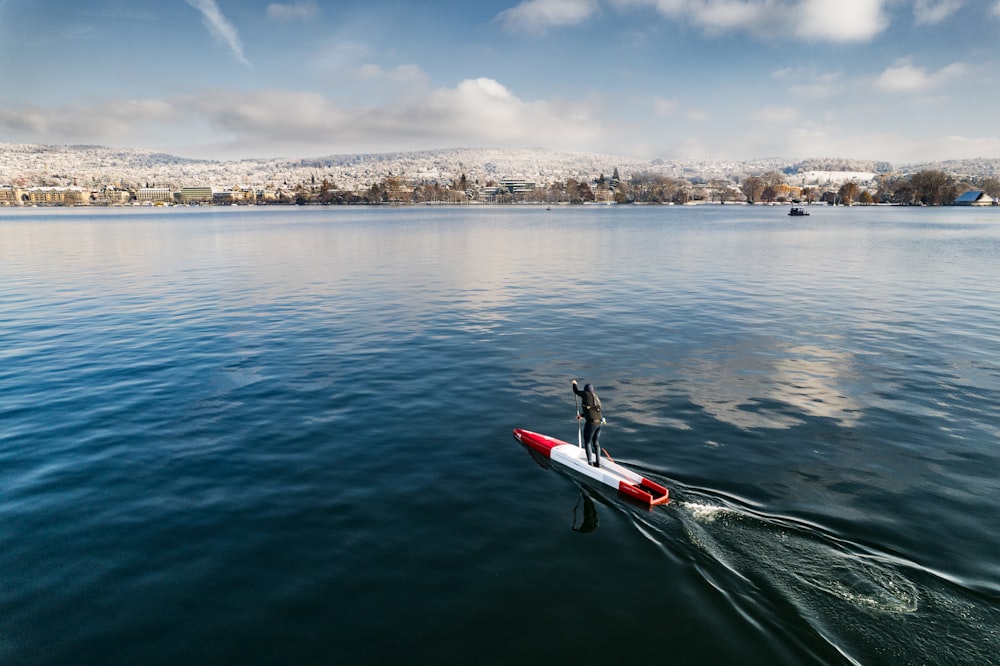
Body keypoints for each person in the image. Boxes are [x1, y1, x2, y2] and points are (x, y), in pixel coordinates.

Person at [572, 380, 603, 467]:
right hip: (600, 422)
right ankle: (598, 463)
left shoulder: (585, 394)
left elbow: (576, 391)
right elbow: (591, 410)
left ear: (586, 390)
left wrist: (574, 384)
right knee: (596, 443)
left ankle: (590, 462)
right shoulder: (595, 398)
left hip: (591, 424)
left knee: (587, 442)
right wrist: (582, 415)